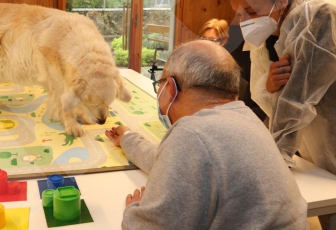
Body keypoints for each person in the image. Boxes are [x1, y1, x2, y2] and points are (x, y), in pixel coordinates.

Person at [105, 41, 307, 230]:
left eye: (161, 84)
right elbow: (164, 161)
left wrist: (135, 209)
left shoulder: (191, 134)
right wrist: (127, 138)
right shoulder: (245, 118)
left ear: (171, 88)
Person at [229, 0, 336, 178]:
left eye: (251, 11)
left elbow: (297, 98)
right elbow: (269, 99)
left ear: (280, 1)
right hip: (314, 144)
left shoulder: (318, 14)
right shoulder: (268, 30)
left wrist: (274, 161)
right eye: (239, 14)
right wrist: (269, 86)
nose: (245, 21)